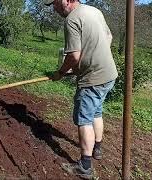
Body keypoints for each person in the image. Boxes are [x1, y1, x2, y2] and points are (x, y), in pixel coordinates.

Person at [44, 0, 118, 179]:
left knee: (84, 119)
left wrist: (61, 73)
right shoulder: (94, 11)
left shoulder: (72, 19)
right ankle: (97, 149)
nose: (53, 8)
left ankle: (85, 167)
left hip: (92, 79)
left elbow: (74, 56)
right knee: (96, 112)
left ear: (67, 0)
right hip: (109, 74)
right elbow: (109, 37)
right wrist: (93, 57)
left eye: (54, 3)